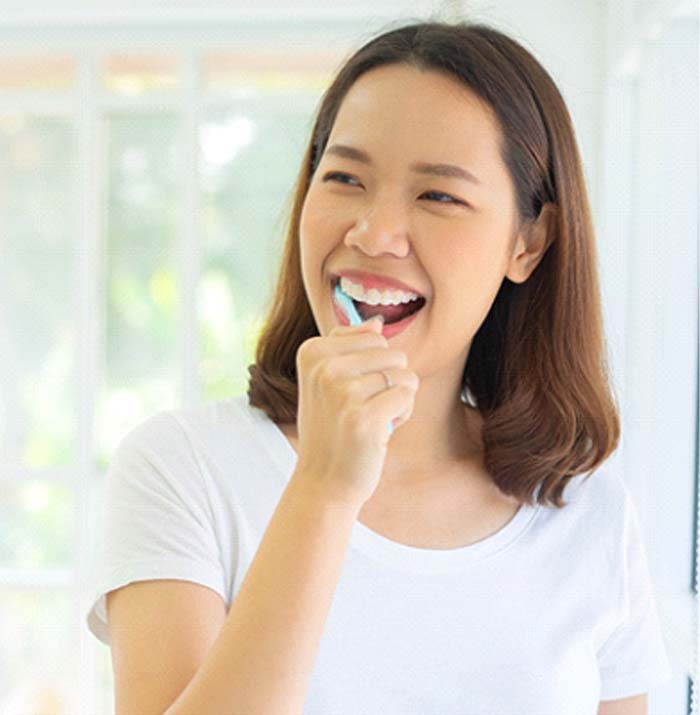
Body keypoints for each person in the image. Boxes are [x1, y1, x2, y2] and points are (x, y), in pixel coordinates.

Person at [85, 19, 673, 715]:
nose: (372, 233)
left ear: (529, 241)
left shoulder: (588, 513)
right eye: (344, 178)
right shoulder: (183, 467)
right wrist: (325, 489)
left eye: (438, 195)